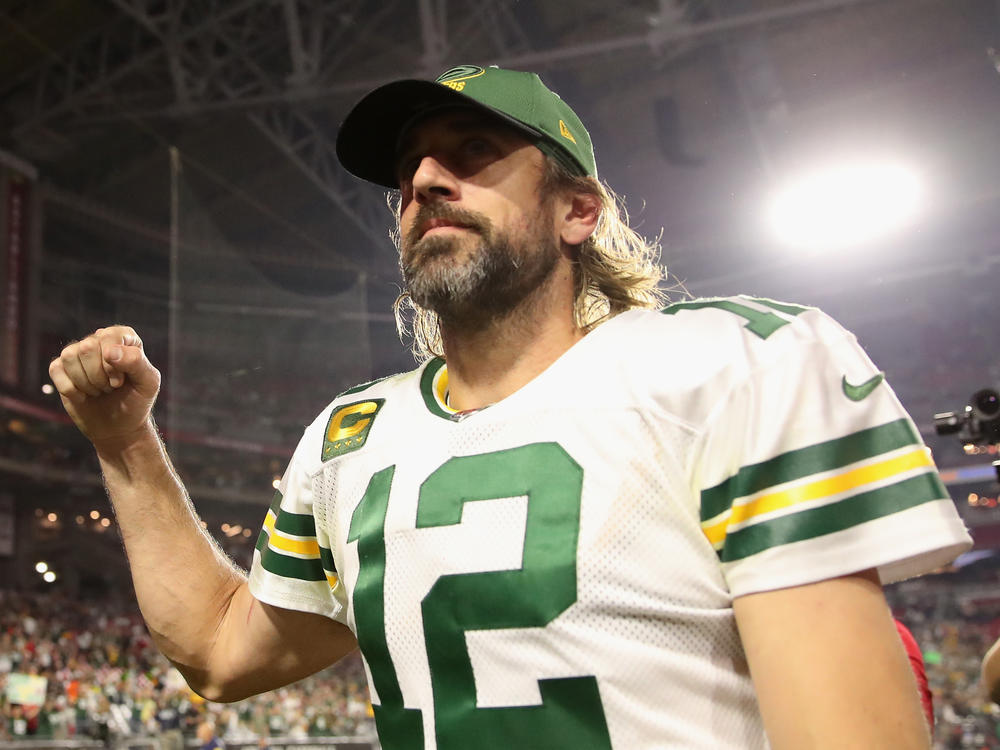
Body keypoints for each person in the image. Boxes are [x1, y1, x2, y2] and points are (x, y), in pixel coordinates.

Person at [49, 63, 973, 749]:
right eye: (406, 173)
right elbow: (217, 651)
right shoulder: (346, 439)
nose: (423, 183)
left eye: (474, 155)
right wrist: (124, 442)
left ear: (579, 210)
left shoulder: (735, 362)